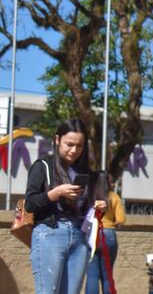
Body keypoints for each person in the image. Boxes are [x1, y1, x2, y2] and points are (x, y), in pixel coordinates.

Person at [25, 119, 108, 294]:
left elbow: (90, 207)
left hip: (80, 236)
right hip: (50, 234)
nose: (74, 150)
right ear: (57, 140)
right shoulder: (43, 166)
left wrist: (100, 205)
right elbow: (30, 203)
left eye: (79, 146)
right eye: (69, 144)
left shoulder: (86, 172)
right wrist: (56, 193)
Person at [85, 172, 126, 294]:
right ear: (108, 182)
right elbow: (121, 220)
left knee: (92, 275)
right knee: (107, 275)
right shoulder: (114, 197)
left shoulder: (90, 197)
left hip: (92, 235)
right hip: (108, 235)